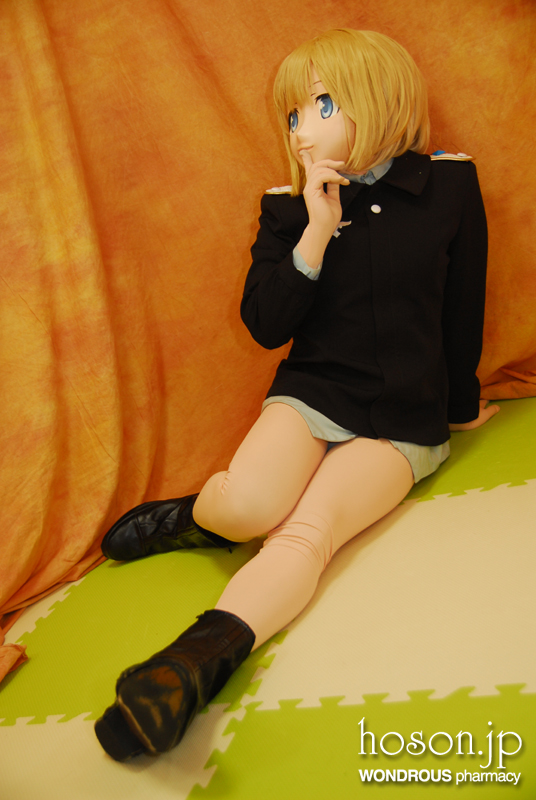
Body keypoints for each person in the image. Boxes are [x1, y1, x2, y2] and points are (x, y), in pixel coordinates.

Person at [94, 28, 499, 761]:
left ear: (379, 96)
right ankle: (194, 516)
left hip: (400, 421)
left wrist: (460, 405)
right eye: (292, 115)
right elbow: (264, 325)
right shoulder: (285, 208)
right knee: (249, 507)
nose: (301, 129)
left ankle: (182, 671)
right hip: (313, 393)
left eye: (320, 105)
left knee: (307, 534)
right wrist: (316, 229)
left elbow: (463, 305)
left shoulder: (450, 183)